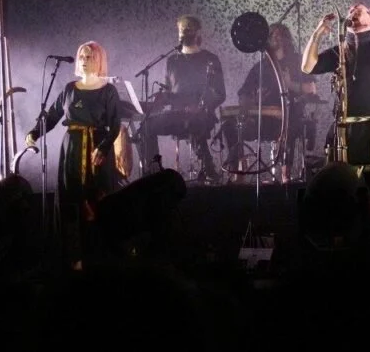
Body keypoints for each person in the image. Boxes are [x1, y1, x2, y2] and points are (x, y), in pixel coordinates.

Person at [301, 2, 370, 246]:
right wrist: (317, 33)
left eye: (361, 9)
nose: (354, 9)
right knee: (336, 180)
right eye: (351, 10)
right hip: (344, 128)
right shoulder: (340, 51)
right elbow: (307, 67)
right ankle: (337, 232)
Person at [25, 41, 122, 270]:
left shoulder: (108, 90)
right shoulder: (70, 89)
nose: (85, 60)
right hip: (72, 149)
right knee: (72, 200)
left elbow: (115, 124)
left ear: (99, 60)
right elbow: (51, 116)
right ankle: (74, 257)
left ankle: (101, 256)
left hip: (98, 149)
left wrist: (103, 148)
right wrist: (34, 133)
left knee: (99, 199)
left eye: (90, 56)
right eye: (82, 57)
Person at [224, 23, 317, 180]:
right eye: (272, 34)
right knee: (230, 126)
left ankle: (286, 176)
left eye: (278, 34)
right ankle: (238, 172)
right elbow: (244, 93)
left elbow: (312, 89)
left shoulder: (297, 61)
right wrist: (252, 100)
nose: (275, 38)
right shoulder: (260, 67)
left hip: (287, 118)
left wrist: (290, 84)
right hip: (261, 120)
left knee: (290, 126)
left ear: (285, 38)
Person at [139, 15, 226, 183]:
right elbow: (170, 91)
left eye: (188, 28)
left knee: (196, 121)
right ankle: (153, 172)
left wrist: (202, 106)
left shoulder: (210, 59)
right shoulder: (172, 60)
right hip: (177, 114)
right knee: (146, 126)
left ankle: (208, 167)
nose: (184, 32)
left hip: (201, 113)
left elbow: (219, 93)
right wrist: (161, 98)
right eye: (181, 29)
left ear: (197, 32)